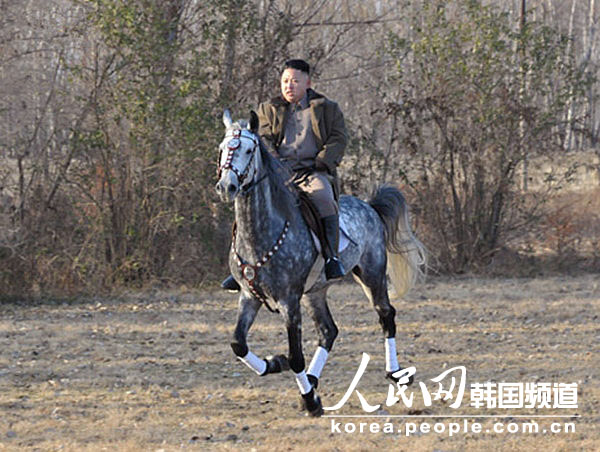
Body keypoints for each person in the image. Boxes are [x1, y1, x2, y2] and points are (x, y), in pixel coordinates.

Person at [222, 59, 347, 291]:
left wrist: (322, 161)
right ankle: (239, 267)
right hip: (279, 174)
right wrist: (275, 163)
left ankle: (331, 258)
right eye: (285, 81)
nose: (289, 86)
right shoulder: (267, 109)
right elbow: (264, 139)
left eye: (295, 81)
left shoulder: (327, 108)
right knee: (251, 203)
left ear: (307, 83)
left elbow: (338, 139)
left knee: (324, 199)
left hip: (312, 172)